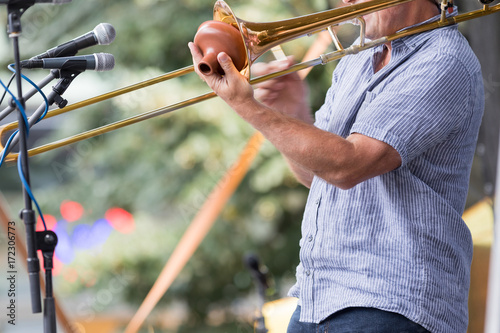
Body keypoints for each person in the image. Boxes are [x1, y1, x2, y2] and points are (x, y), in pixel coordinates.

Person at [188, 0, 484, 332]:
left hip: (391, 302)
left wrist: (248, 106)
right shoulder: (358, 57)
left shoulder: (443, 59)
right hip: (318, 299)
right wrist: (292, 111)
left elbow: (348, 166)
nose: (343, 2)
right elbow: (320, 176)